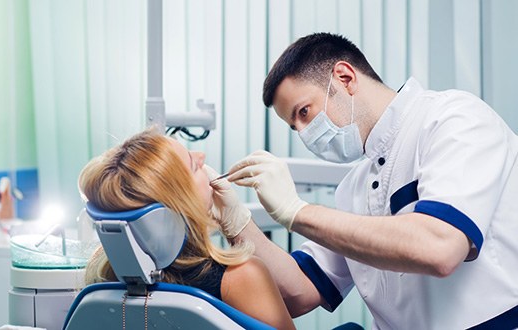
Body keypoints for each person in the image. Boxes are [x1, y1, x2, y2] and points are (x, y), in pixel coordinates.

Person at [206, 32, 518, 329]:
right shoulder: (353, 189)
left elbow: (440, 247)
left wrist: (297, 212)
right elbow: (299, 292)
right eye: (294, 126)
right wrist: (236, 222)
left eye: (304, 112)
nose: (303, 133)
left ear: (345, 78)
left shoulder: (453, 120)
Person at [79, 129, 295, 330]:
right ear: (182, 203)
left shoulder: (101, 281)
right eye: (194, 166)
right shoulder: (241, 277)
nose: (201, 156)